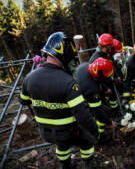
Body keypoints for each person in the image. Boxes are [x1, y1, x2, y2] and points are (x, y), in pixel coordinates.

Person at [19, 32, 99, 169]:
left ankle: (65, 165)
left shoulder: (29, 78)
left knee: (62, 145)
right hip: (69, 131)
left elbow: (23, 101)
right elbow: (83, 115)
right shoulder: (68, 83)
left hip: (46, 132)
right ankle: (90, 164)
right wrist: (94, 130)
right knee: (87, 142)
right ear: (65, 54)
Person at [77, 57, 117, 144]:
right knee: (101, 113)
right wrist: (109, 123)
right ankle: (99, 136)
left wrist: (105, 88)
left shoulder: (86, 66)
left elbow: (98, 80)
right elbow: (98, 112)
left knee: (104, 110)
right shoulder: (92, 89)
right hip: (81, 102)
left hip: (83, 91)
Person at [89, 34, 121, 111]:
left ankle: (116, 110)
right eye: (110, 45)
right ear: (105, 45)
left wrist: (116, 76)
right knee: (108, 100)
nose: (112, 47)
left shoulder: (107, 53)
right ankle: (113, 112)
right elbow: (95, 78)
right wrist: (105, 88)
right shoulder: (95, 60)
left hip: (110, 80)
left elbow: (112, 64)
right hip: (104, 85)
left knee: (114, 97)